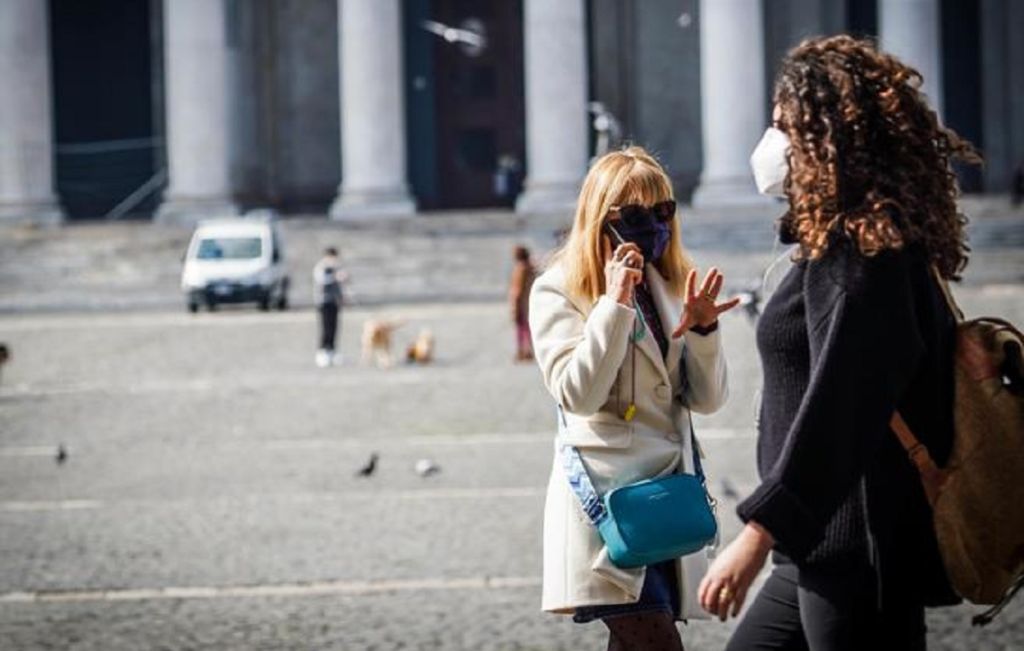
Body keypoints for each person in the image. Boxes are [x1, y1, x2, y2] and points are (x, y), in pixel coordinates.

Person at [698, 35, 982, 650]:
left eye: (782, 126)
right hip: (817, 546)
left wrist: (758, 532)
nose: (769, 144)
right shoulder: (842, 246)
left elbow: (840, 408)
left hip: (858, 550)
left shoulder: (865, 256)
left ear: (824, 138)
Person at [529, 146, 739, 651]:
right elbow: (578, 393)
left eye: (664, 211)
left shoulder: (670, 284)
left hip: (668, 503)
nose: (655, 227)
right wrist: (613, 304)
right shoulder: (558, 291)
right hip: (609, 511)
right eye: (637, 216)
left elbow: (706, 401)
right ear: (602, 219)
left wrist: (705, 330)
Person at [312, 247, 348, 368]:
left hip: (334, 302)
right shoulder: (321, 267)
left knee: (334, 327)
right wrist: (335, 276)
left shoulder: (336, 268)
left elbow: (340, 286)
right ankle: (322, 351)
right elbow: (321, 280)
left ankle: (332, 351)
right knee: (326, 327)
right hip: (324, 302)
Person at [508, 245, 536, 361]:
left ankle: (523, 351)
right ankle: (528, 350)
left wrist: (515, 305)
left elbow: (517, 289)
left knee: (521, 327)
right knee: (527, 327)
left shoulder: (521, 269)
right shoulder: (531, 268)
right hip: (530, 301)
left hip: (521, 302)